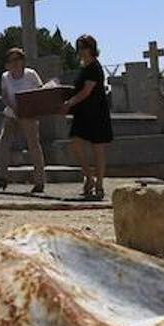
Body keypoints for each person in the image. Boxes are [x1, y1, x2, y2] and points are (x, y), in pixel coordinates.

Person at [61, 34, 112, 201]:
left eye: (84, 47)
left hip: (96, 111)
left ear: (91, 48)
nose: (81, 51)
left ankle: (100, 184)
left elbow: (86, 91)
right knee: (75, 142)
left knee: (98, 148)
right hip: (82, 112)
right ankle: (89, 177)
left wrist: (70, 102)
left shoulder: (94, 68)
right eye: (79, 47)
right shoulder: (83, 68)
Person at [0, 48, 46, 193]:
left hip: (28, 115)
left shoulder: (30, 75)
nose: (15, 63)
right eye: (11, 61)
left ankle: (39, 180)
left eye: (17, 60)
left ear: (22, 61)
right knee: (3, 141)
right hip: (11, 114)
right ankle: (0, 176)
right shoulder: (5, 77)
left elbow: (40, 91)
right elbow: (5, 95)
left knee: (33, 145)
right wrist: (14, 108)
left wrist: (32, 108)